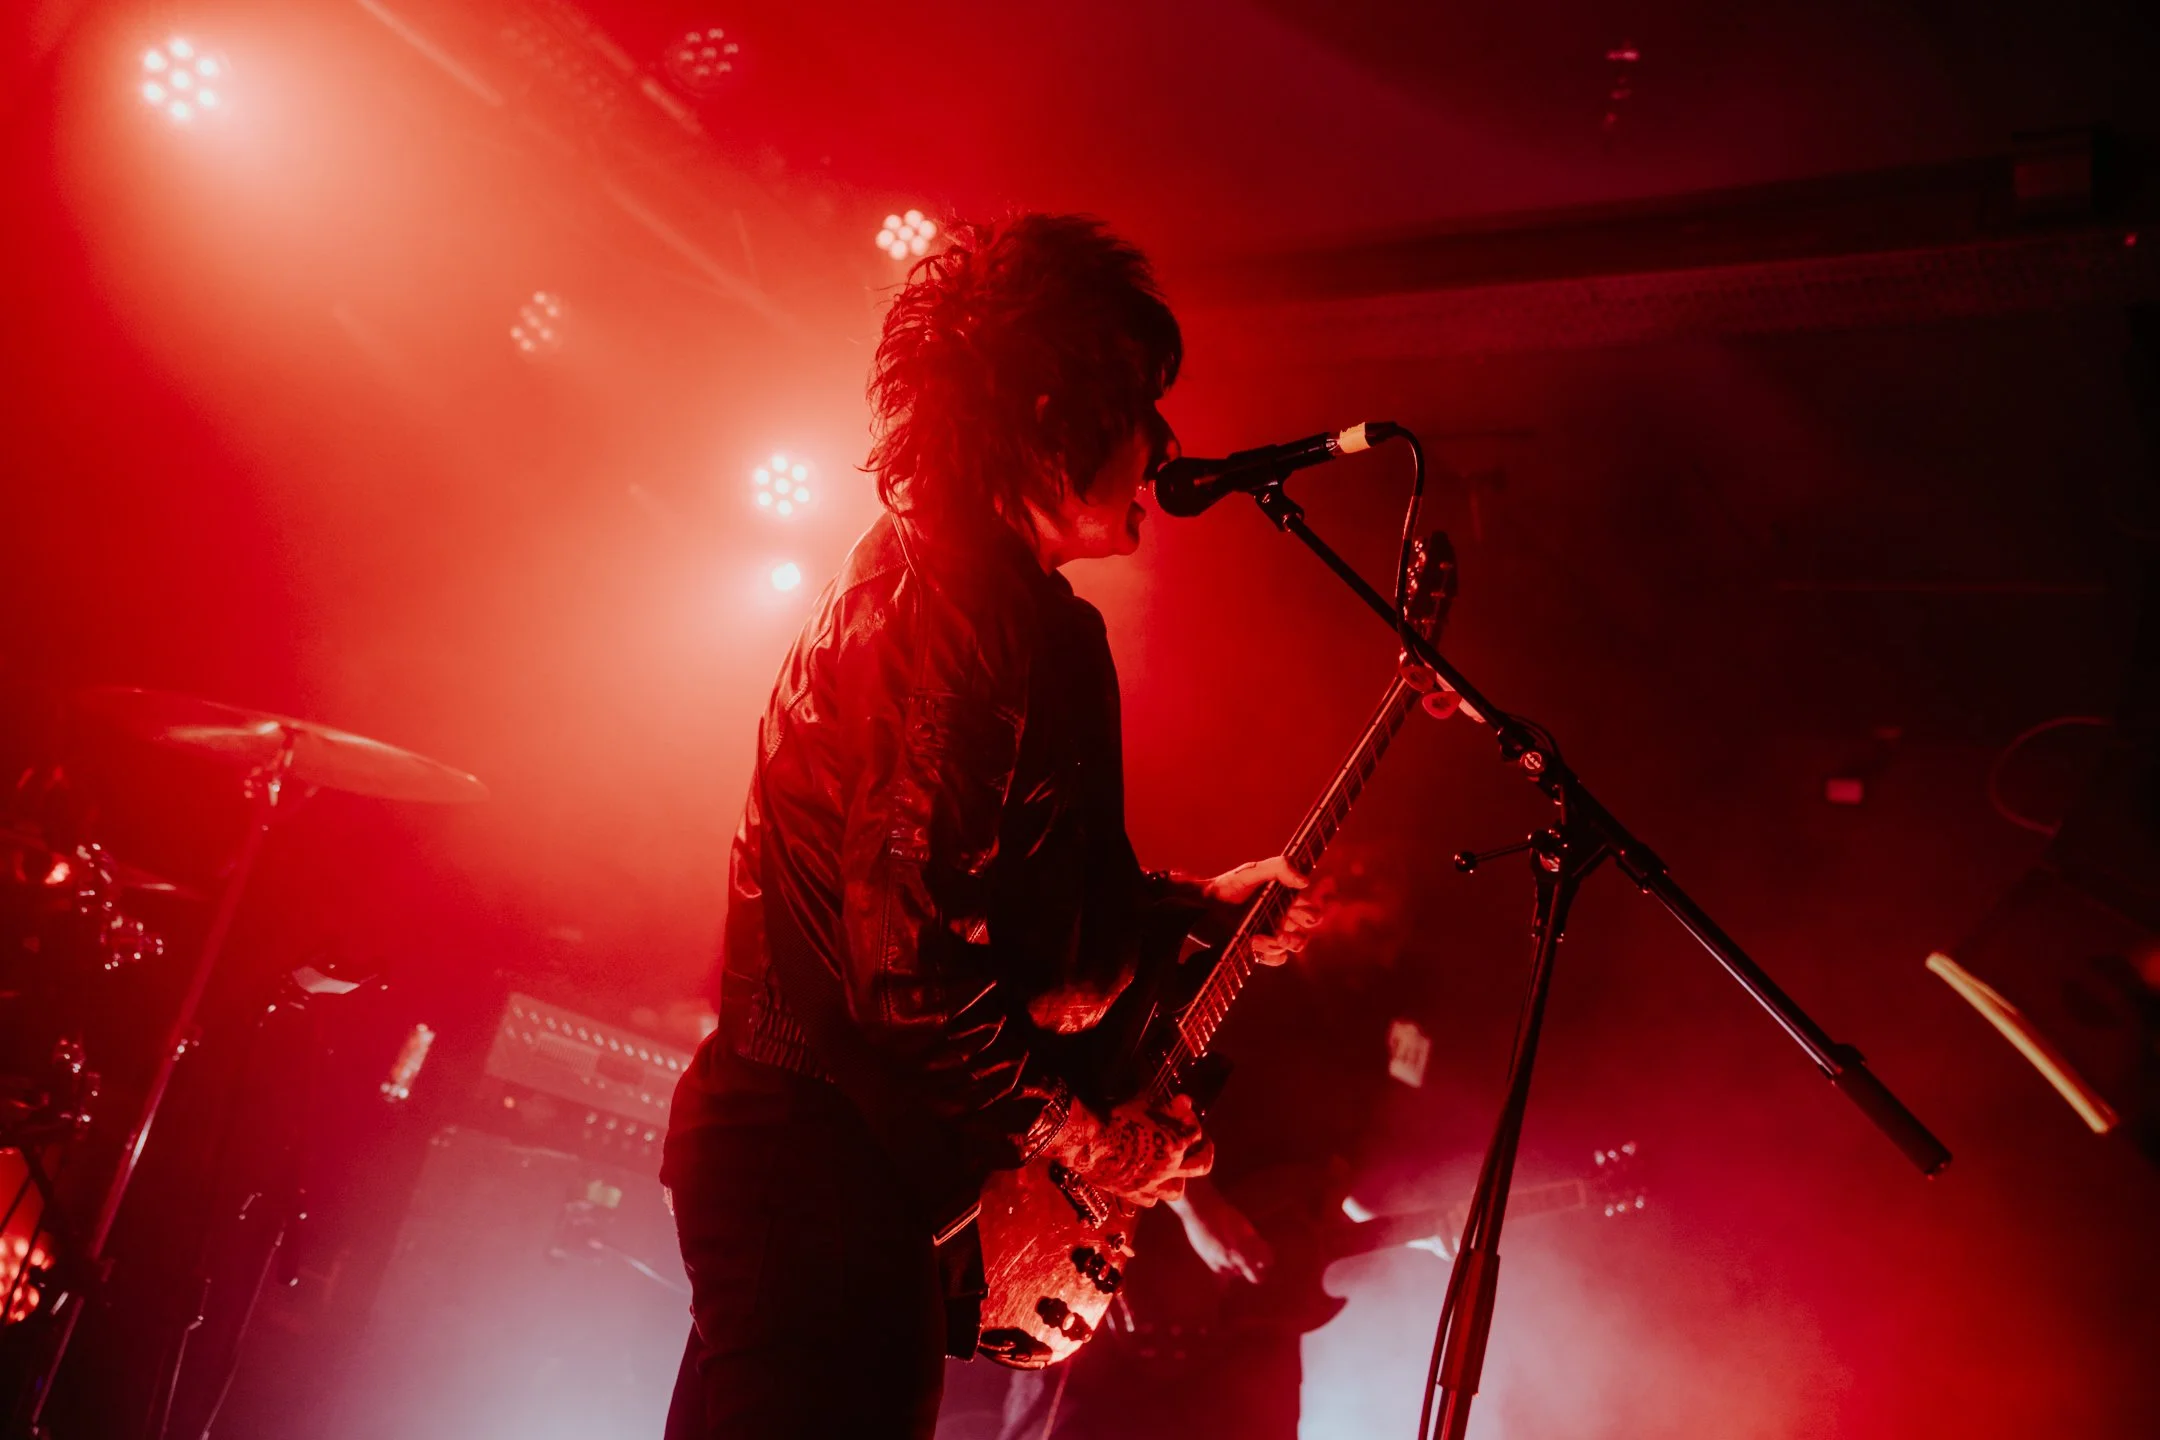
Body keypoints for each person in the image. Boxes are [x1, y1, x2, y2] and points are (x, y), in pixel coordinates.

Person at [660, 214, 1315, 1440]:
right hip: (811, 1152)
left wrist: (1191, 907)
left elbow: (1000, 908)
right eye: (1140, 408)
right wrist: (1084, 1137)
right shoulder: (950, 623)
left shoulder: (1009, 613)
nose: (1163, 448)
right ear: (1054, 417)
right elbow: (903, 970)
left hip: (840, 1164)